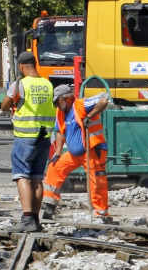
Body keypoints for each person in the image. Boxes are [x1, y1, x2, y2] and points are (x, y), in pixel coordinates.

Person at [1, 51, 56, 232]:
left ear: (22, 67)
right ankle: (35, 220)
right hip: (44, 137)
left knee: (22, 176)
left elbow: (5, 104)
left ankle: (26, 219)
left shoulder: (20, 84)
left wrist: (12, 105)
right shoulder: (48, 84)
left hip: (25, 138)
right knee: (37, 179)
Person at [41, 83, 111, 223]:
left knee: (96, 181)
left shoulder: (81, 105)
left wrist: (90, 116)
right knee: (54, 168)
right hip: (75, 154)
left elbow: (104, 100)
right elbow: (60, 131)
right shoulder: (61, 112)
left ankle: (101, 213)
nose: (56, 105)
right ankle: (49, 205)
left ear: (65, 99)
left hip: (92, 150)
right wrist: (58, 152)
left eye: (57, 102)